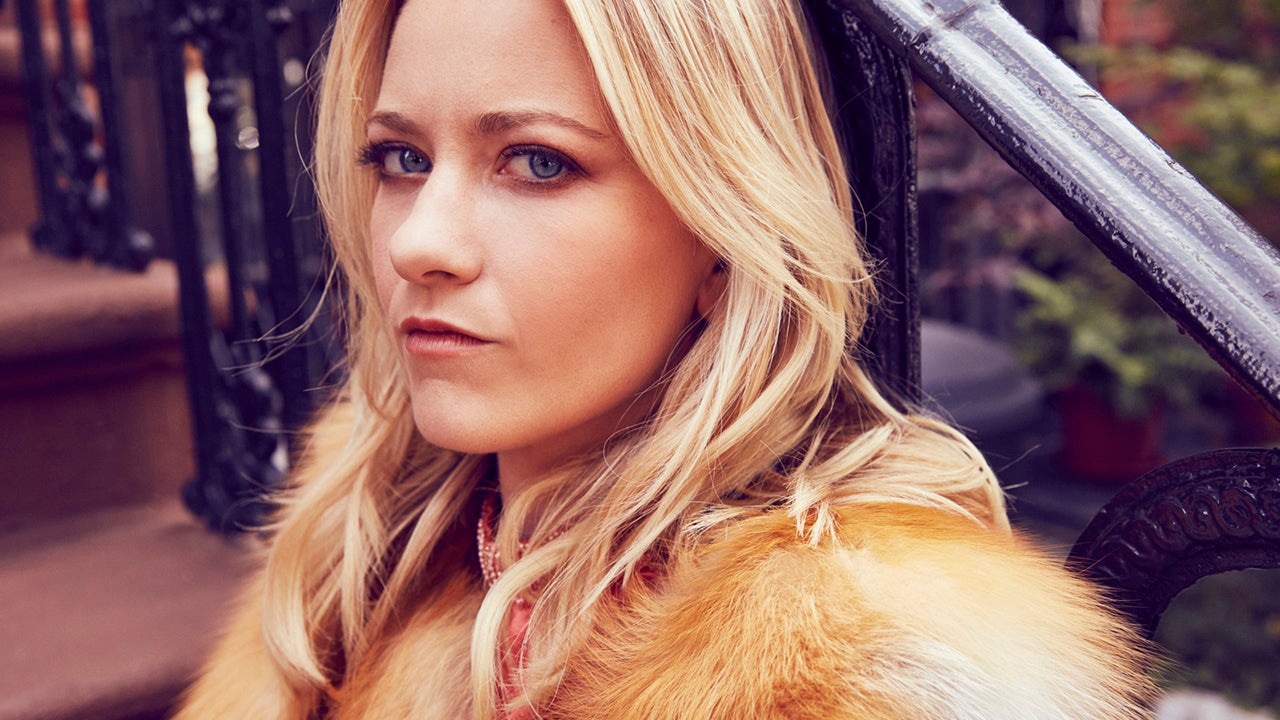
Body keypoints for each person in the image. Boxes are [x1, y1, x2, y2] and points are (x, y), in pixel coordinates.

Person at [175, 0, 1156, 717]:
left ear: (721, 235)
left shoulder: (856, 661)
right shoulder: (355, 554)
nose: (417, 243)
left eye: (537, 162)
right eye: (402, 159)